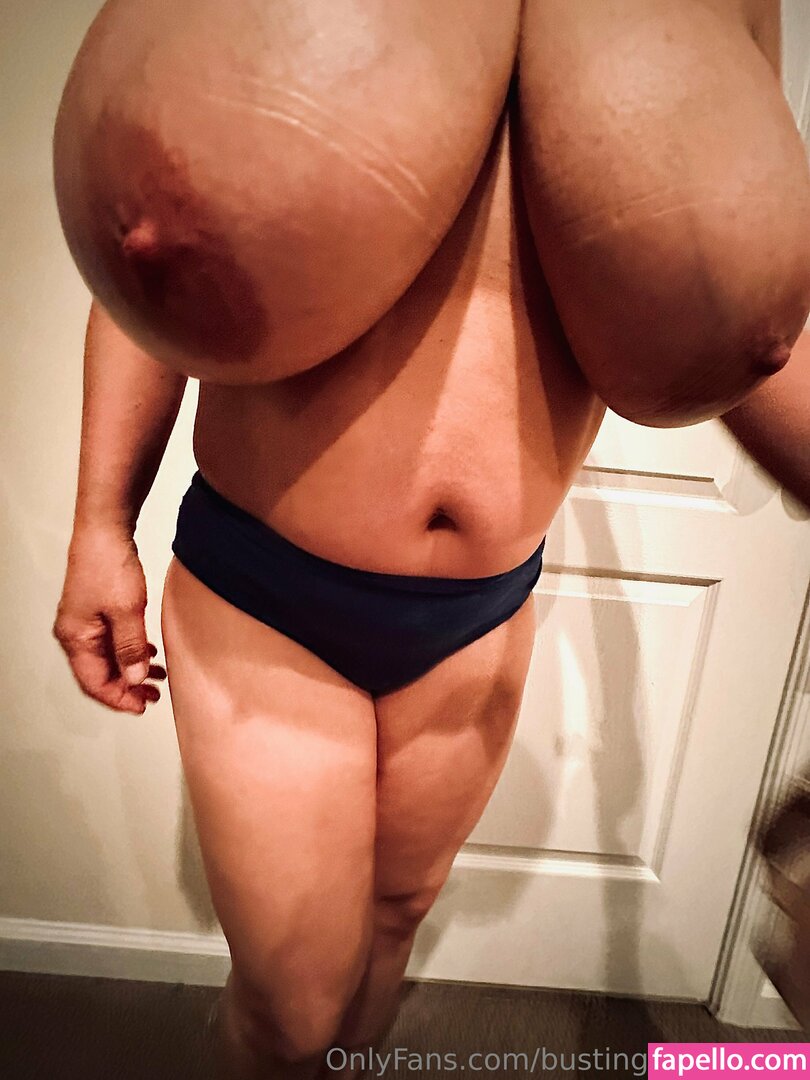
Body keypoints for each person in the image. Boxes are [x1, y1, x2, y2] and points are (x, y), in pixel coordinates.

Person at [51, 1, 810, 1076]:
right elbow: (169, 223)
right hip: (268, 596)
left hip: (480, 617)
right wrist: (100, 523)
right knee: (289, 1013)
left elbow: (731, 305)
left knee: (395, 924)